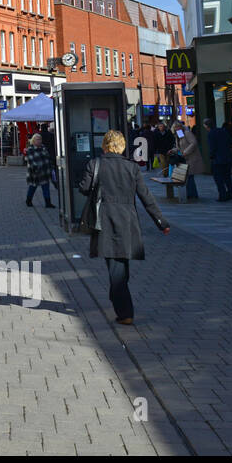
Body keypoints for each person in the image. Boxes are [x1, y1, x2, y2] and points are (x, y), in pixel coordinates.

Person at [78, 130, 171, 325]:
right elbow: (146, 197)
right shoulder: (132, 168)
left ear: (104, 145)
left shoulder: (95, 164)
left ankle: (125, 311)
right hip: (127, 221)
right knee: (121, 266)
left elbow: (84, 188)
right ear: (121, 147)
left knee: (116, 269)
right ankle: (121, 304)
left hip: (104, 221)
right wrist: (161, 221)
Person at [168, 120, 202, 201]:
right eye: (175, 128)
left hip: (191, 157)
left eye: (178, 127)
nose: (177, 129)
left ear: (181, 127)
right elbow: (180, 147)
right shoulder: (179, 134)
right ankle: (191, 194)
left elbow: (193, 143)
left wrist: (185, 152)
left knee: (189, 176)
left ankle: (192, 194)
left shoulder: (187, 133)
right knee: (188, 176)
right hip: (185, 158)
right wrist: (173, 150)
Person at [206, 118, 232, 202]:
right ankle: (230, 193)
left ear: (207, 126)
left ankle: (222, 194)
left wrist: (211, 156)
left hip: (218, 159)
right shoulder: (223, 131)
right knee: (227, 176)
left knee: (218, 178)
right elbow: (230, 141)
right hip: (227, 157)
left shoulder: (211, 134)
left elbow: (212, 147)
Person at [24, 133, 56, 208]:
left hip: (45, 172)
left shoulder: (43, 147)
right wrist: (37, 168)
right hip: (35, 173)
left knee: (46, 187)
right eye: (37, 139)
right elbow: (31, 161)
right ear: (33, 141)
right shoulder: (30, 149)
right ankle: (28, 200)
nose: (39, 141)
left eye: (40, 139)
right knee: (32, 187)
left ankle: (48, 203)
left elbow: (48, 158)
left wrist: (51, 166)